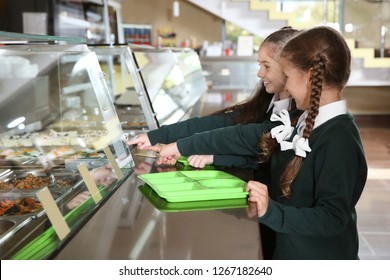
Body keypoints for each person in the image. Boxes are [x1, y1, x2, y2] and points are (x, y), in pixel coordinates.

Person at [147, 26, 368, 259]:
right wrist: (194, 150)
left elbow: (332, 218)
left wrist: (272, 211)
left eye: (289, 77)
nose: (288, 87)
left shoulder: (339, 141)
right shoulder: (301, 120)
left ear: (311, 76)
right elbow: (254, 143)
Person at [128, 26, 298, 171]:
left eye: (266, 66)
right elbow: (217, 123)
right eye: (259, 65)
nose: (259, 73)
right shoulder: (268, 101)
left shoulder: (296, 116)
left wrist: (181, 147)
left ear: (288, 67)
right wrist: (156, 136)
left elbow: (243, 137)